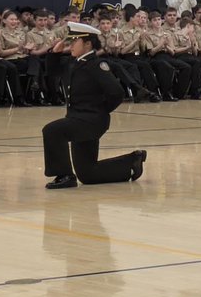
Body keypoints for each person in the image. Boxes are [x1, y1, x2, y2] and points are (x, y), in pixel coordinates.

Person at [42, 23, 147, 189]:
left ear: (87, 44)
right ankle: (131, 162)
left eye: (75, 41)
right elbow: (52, 72)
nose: (71, 45)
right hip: (78, 119)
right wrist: (54, 53)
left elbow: (116, 92)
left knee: (52, 130)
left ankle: (65, 175)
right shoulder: (75, 63)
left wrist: (100, 111)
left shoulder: (96, 65)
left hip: (91, 121)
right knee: (87, 173)